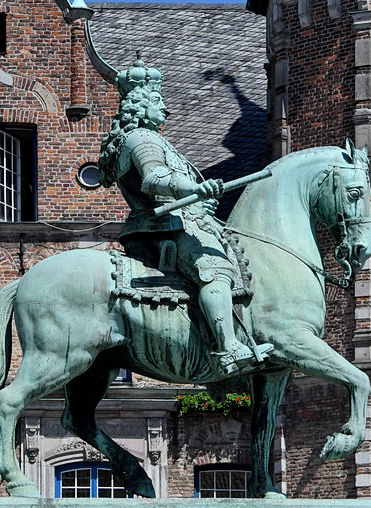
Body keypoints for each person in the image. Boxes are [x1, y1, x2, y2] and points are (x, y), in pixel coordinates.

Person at [98, 57, 272, 375]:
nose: (166, 108)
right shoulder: (141, 138)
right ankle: (227, 348)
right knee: (216, 270)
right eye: (159, 101)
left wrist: (201, 201)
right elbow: (153, 179)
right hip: (164, 227)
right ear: (140, 104)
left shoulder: (156, 139)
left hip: (177, 221)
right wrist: (196, 187)